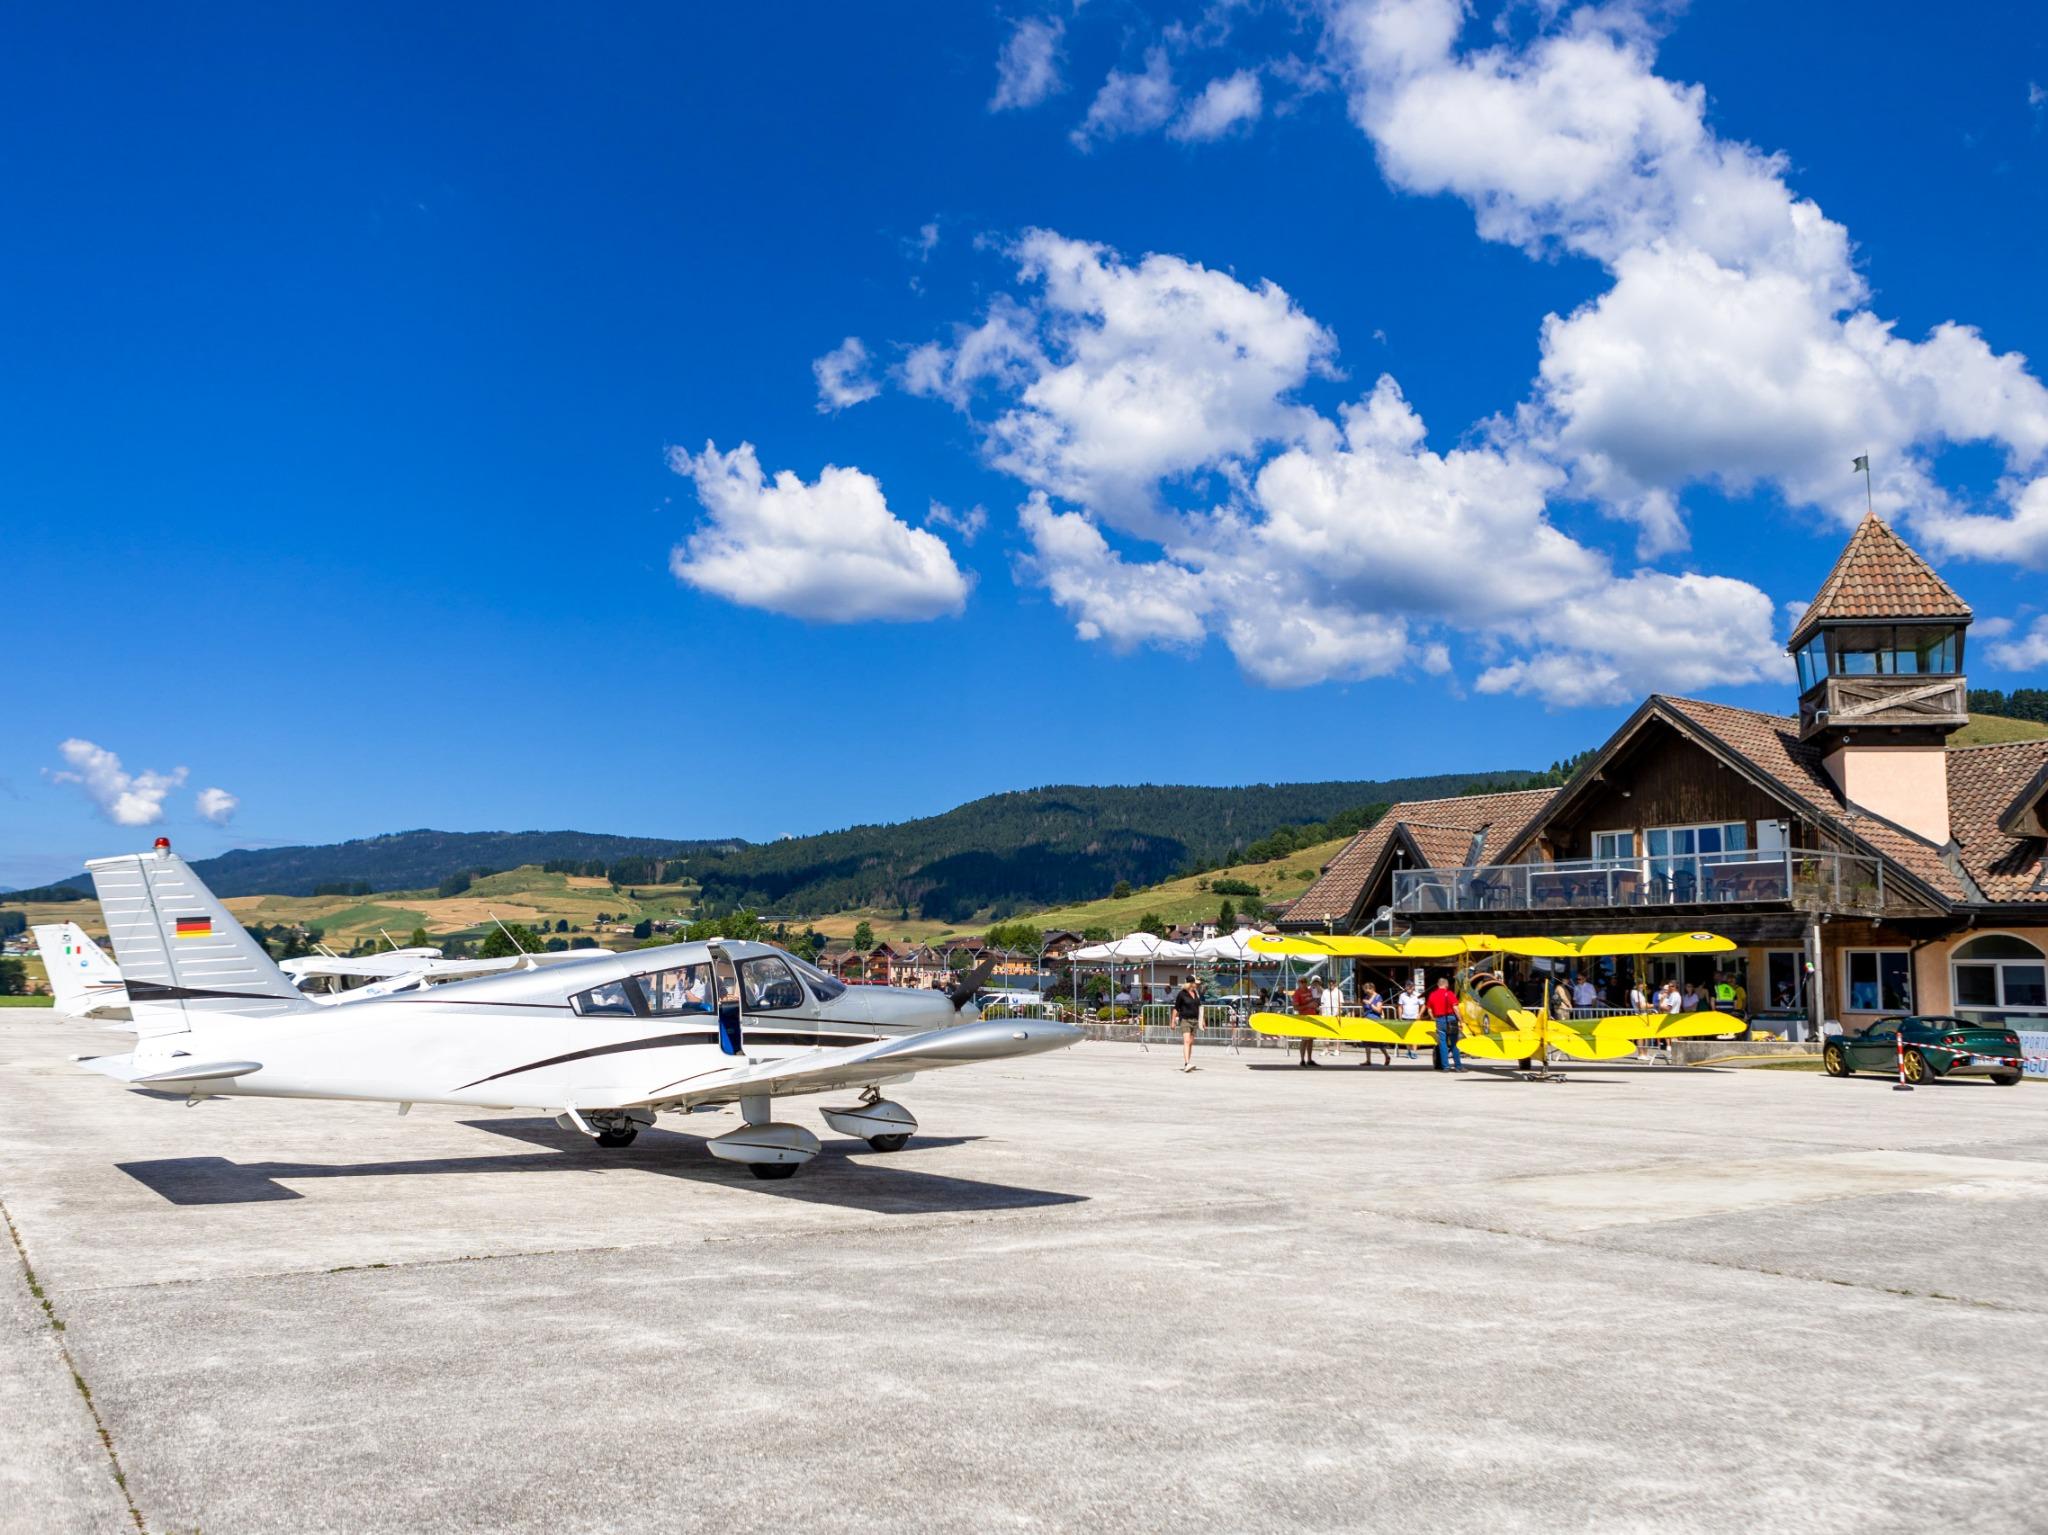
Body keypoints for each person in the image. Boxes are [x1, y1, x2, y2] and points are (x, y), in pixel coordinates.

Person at [1428, 974, 1464, 1072]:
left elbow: (1430, 1010)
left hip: (1439, 1020)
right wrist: (1461, 1020)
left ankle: (1446, 1067)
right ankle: (1458, 1066)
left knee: (1443, 1044)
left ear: (1438, 984)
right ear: (1446, 985)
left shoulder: (1432, 995)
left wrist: (1434, 1018)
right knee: (1454, 1043)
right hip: (1451, 1019)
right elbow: (1455, 1008)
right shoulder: (1450, 993)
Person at [1173, 974, 1202, 1073]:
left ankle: (1188, 1063)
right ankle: (1186, 1063)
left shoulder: (1196, 993)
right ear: (1190, 983)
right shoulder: (1182, 994)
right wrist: (1172, 1021)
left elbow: (1199, 1007)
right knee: (1186, 1041)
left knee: (1190, 1043)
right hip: (1185, 1020)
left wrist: (1203, 1021)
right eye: (1195, 983)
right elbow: (1176, 1008)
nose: (1196, 985)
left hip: (1195, 1020)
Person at [1359, 983, 1392, 1067]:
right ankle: (1368, 1060)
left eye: (1368, 990)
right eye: (1366, 990)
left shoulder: (1378, 997)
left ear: (1372, 989)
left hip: (1375, 1021)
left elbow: (1379, 1010)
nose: (1367, 992)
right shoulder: (1366, 997)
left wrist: (1370, 1004)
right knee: (1366, 1041)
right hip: (1367, 1021)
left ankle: (1387, 1056)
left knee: (1379, 1041)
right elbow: (1364, 1009)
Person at [1318, 975, 1346, 1064]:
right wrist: (1322, 1013)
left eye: (1333, 982)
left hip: (1335, 1014)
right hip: (1326, 1014)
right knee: (1326, 1032)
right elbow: (1322, 1003)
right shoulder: (1325, 992)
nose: (1331, 983)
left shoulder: (1339, 992)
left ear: (1335, 983)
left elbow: (1341, 1003)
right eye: (1330, 982)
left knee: (1336, 1032)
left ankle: (1337, 1049)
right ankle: (1326, 1049)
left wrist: (1338, 1012)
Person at [1292, 976, 1319, 1067]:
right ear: (1298, 982)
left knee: (1310, 1040)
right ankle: (1302, 1060)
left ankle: (1309, 1059)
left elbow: (1316, 997)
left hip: (1312, 1017)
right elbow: (1296, 1008)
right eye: (1301, 982)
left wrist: (1315, 1004)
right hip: (1304, 1018)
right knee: (1304, 1040)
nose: (1303, 983)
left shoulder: (1309, 991)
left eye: (1305, 981)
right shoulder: (1297, 993)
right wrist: (1308, 1005)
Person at [1397, 980, 1425, 1059]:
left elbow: (1423, 1006)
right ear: (1405, 987)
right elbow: (1400, 1006)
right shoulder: (1402, 995)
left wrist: (1419, 1015)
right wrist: (1399, 1016)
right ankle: (1409, 1051)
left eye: (1410, 986)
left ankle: (1414, 1052)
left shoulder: (1418, 995)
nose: (1409, 988)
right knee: (1406, 1036)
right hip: (1405, 1017)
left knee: (1414, 1036)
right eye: (1407, 986)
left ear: (1413, 987)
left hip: (1415, 1018)